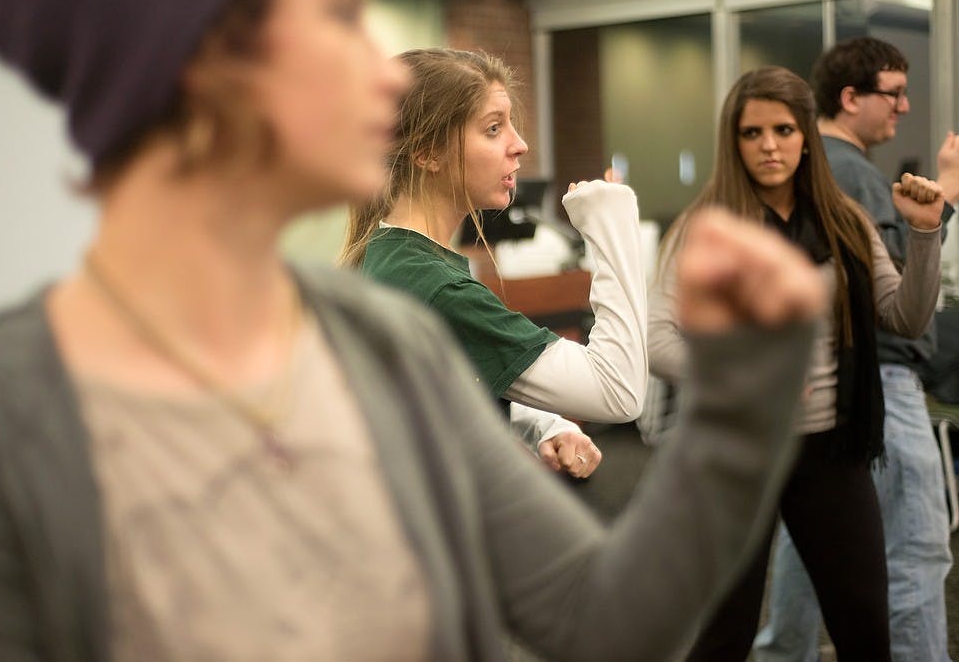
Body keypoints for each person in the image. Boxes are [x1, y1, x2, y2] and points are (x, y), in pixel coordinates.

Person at [0, 0, 833, 660]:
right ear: (201, 64)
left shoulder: (377, 337)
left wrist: (739, 400)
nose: (384, 77)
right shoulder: (1, 425)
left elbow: (600, 614)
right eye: (339, 22)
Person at [648, 65, 945, 662]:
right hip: (737, 455)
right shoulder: (706, 229)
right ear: (733, 142)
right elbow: (656, 340)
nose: (769, 146)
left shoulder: (845, 221)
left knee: (864, 628)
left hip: (831, 453)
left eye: (783, 130)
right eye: (751, 132)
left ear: (806, 135)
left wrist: (923, 234)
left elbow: (905, 318)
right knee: (722, 635)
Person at [341, 48, 647, 477]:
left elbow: (449, 390)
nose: (519, 145)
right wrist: (612, 225)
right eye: (493, 128)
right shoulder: (434, 286)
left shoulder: (394, 257)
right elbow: (619, 390)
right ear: (428, 153)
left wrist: (539, 421)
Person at [754, 37, 959, 662]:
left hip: (837, 386)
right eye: (893, 94)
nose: (903, 108)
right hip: (880, 385)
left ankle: (781, 652)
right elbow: (898, 309)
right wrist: (946, 195)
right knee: (918, 550)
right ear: (850, 98)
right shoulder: (853, 175)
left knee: (813, 540)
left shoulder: (818, 171)